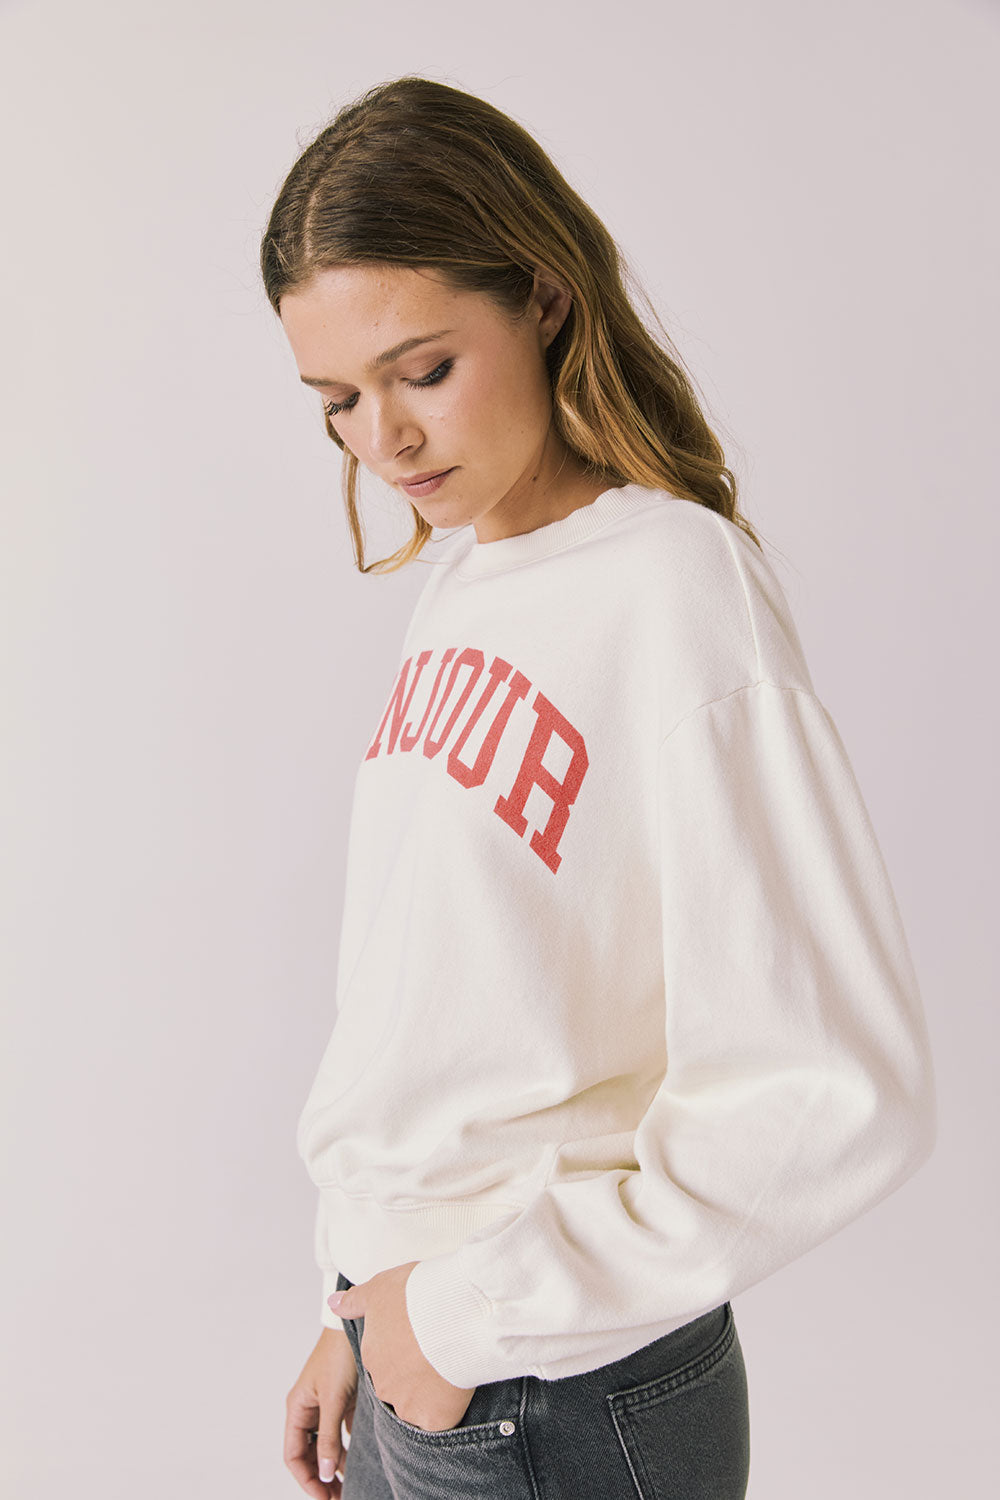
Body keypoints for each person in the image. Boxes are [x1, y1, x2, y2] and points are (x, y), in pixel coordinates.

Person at [261, 76, 937, 1500]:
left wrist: (455, 1318)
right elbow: (436, 1013)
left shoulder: (676, 588)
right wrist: (357, 1293)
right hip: (426, 1359)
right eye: (337, 400)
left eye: (422, 369)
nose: (382, 440)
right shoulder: (461, 587)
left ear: (548, 299)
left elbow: (831, 1084)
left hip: (548, 1392)